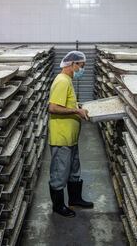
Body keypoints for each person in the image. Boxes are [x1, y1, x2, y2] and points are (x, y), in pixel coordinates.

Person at [47, 51, 94, 218]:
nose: (82, 70)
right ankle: (58, 206)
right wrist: (76, 110)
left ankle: (75, 199)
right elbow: (53, 107)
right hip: (62, 138)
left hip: (71, 137)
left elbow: (66, 102)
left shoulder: (68, 80)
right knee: (60, 173)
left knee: (74, 171)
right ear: (72, 64)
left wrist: (77, 105)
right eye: (81, 66)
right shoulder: (61, 81)